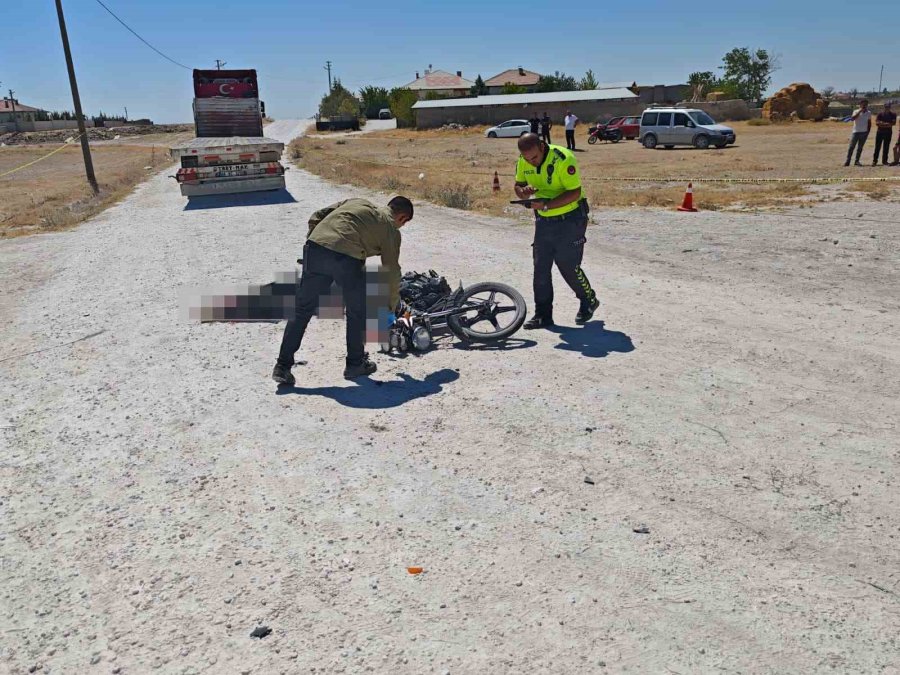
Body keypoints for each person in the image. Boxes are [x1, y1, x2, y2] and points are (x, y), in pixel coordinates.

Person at [273, 196, 414, 385]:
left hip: (316, 248)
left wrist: (319, 245)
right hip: (347, 259)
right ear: (402, 218)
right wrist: (391, 304)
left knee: (302, 310)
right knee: (357, 311)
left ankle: (282, 367)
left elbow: (317, 216)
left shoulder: (357, 202)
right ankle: (355, 364)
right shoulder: (390, 229)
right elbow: (391, 270)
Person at [514, 132, 599, 329]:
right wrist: (523, 192)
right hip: (545, 221)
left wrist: (546, 205)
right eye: (527, 159)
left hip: (571, 218)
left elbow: (575, 192)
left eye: (534, 157)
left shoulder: (563, 158)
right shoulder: (523, 161)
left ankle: (588, 299)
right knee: (541, 267)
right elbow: (518, 186)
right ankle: (543, 315)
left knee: (567, 265)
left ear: (542, 146)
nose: (531, 162)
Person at [845, 99, 871, 167]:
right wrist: (860, 111)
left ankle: (857, 161)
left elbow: (869, 123)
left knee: (860, 148)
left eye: (866, 104)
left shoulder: (869, 113)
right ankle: (848, 161)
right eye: (863, 104)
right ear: (860, 104)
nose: (865, 105)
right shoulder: (855, 111)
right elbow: (853, 118)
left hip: (864, 133)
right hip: (856, 132)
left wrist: (868, 132)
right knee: (851, 147)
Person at [872, 101, 896, 166]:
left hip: (888, 133)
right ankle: (874, 161)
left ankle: (884, 161)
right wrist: (886, 124)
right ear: (884, 107)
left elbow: (893, 124)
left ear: (890, 107)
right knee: (877, 147)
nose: (887, 108)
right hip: (880, 132)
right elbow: (877, 123)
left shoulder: (893, 114)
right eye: (886, 107)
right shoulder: (880, 114)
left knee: (886, 147)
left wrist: (882, 123)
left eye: (888, 107)